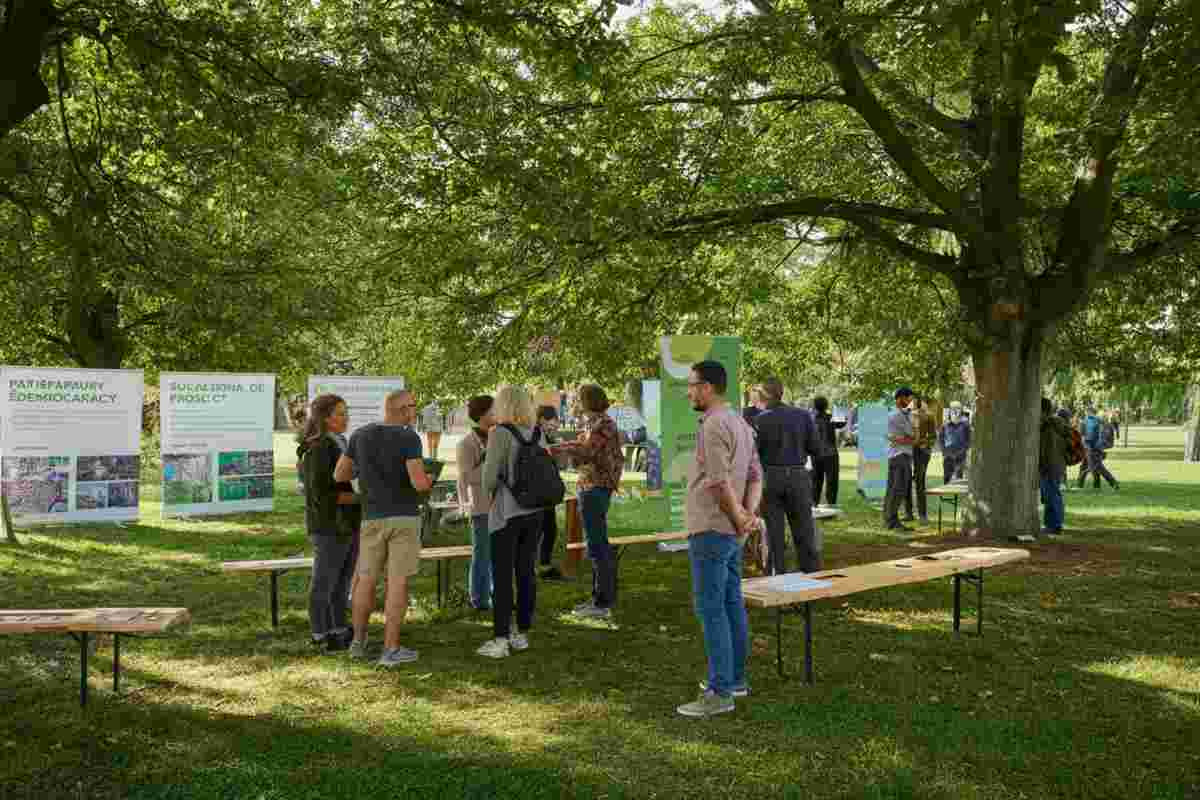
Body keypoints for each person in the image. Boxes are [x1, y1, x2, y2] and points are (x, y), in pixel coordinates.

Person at [676, 360, 763, 718]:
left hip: (713, 527)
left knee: (712, 609)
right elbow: (756, 476)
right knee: (730, 606)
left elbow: (717, 482)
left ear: (708, 387)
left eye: (693, 385)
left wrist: (738, 516)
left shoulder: (714, 425)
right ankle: (735, 680)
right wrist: (747, 516)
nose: (689, 391)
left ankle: (720, 691)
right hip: (730, 529)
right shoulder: (742, 424)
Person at [335, 390, 432, 666]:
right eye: (413, 406)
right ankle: (390, 649)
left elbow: (339, 474)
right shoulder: (408, 436)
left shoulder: (360, 435)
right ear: (402, 409)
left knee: (365, 580)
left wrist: (365, 480)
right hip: (403, 517)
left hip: (371, 517)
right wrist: (429, 479)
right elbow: (418, 483)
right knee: (397, 582)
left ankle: (358, 643)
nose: (415, 411)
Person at [478, 385, 545, 658]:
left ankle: (500, 637)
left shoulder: (500, 434)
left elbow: (488, 480)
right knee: (526, 572)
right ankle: (521, 632)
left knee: (503, 576)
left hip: (506, 514)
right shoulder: (538, 434)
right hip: (535, 512)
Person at [554, 384, 624, 618]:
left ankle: (602, 603)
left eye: (578, 399)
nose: (575, 403)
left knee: (597, 545)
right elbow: (585, 449)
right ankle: (599, 598)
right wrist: (565, 446)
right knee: (595, 543)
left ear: (587, 401)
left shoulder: (603, 425)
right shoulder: (595, 424)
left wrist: (560, 448)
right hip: (590, 486)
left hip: (596, 487)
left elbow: (587, 452)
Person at [298, 394, 361, 652]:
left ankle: (338, 630)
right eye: (340, 413)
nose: (345, 418)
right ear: (325, 418)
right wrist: (358, 497)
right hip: (329, 525)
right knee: (324, 582)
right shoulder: (319, 447)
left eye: (346, 412)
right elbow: (321, 495)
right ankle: (319, 633)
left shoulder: (341, 441)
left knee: (342, 582)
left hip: (348, 523)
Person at [753, 378, 819, 574]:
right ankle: (812, 579)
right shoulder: (803, 415)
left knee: (774, 536)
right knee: (805, 533)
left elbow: (754, 455)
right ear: (782, 393)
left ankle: (777, 579)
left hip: (771, 478)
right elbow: (816, 448)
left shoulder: (761, 419)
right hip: (798, 476)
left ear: (765, 395)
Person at [456, 394, 496, 611]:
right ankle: (479, 599)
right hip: (481, 507)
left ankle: (498, 594)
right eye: (494, 410)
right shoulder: (466, 444)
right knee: (482, 554)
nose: (498, 413)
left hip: (502, 506)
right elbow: (466, 477)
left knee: (499, 554)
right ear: (483, 415)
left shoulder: (500, 437)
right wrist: (491, 463)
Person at [534, 405, 566, 581]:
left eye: (555, 423)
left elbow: (557, 463)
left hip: (545, 490)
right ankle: (541, 566)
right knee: (544, 528)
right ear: (541, 420)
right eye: (550, 423)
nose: (553, 427)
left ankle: (543, 565)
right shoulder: (536, 434)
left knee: (549, 528)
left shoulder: (544, 436)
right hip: (539, 490)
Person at [883, 387, 916, 532]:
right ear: (899, 398)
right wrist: (910, 438)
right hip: (900, 456)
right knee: (898, 490)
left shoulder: (896, 414)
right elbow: (912, 435)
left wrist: (907, 439)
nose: (910, 401)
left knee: (892, 489)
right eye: (908, 398)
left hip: (895, 455)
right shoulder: (899, 416)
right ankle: (892, 521)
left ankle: (889, 519)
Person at [1039, 397, 1072, 536]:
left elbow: (1048, 448)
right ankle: (1050, 524)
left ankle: (1056, 524)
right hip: (1056, 465)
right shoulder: (1056, 424)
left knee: (1052, 495)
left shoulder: (1049, 425)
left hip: (1050, 465)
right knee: (1049, 495)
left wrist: (1044, 465)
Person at [905, 395, 937, 524]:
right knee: (906, 480)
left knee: (919, 480)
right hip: (908, 451)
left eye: (915, 399)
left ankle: (922, 515)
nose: (913, 402)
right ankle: (908, 513)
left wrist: (925, 445)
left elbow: (933, 436)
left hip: (922, 452)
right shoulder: (906, 415)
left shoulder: (928, 416)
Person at [809, 396, 845, 508]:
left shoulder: (810, 419)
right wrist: (838, 407)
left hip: (816, 454)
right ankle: (831, 503)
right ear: (826, 406)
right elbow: (842, 423)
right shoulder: (831, 418)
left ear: (814, 406)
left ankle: (814, 503)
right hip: (830, 454)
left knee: (815, 480)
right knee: (832, 480)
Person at [1078, 406, 1120, 490]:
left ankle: (1113, 483)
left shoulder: (1085, 421)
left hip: (1089, 447)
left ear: (1088, 412)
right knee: (1088, 466)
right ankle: (1090, 485)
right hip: (1097, 447)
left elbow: (1083, 436)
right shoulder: (1100, 421)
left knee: (1097, 467)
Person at [940, 402, 971, 483]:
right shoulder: (945, 424)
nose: (955, 411)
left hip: (960, 455)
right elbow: (941, 438)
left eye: (958, 408)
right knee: (947, 477)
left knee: (958, 478)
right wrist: (944, 451)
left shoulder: (965, 424)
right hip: (948, 455)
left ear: (961, 410)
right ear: (950, 410)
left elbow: (969, 440)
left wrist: (964, 450)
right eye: (953, 408)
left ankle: (957, 495)